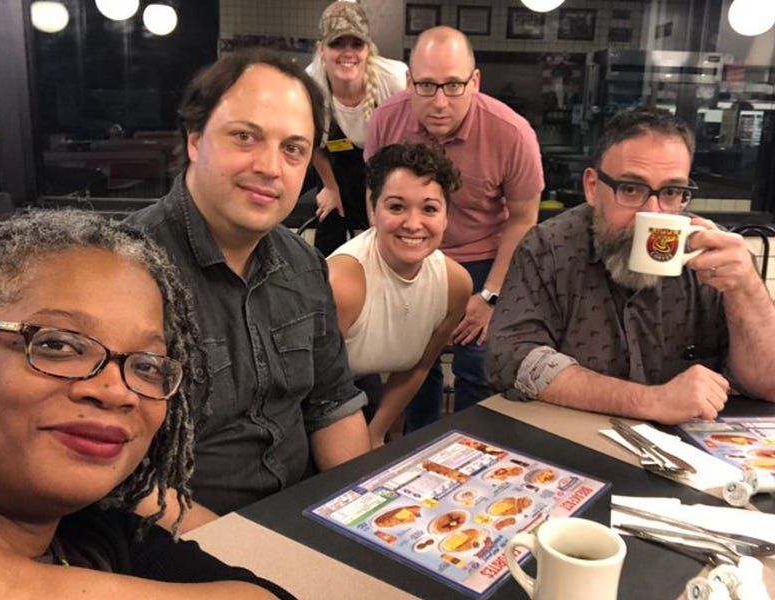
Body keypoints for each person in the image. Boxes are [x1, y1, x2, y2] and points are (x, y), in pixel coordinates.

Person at [0, 210, 292, 598]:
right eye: (57, 344)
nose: (116, 391)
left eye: (146, 365)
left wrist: (18, 585)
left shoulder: (99, 536)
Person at [126, 49, 370, 520]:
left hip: (299, 514)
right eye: (245, 137)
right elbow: (118, 474)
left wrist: (359, 520)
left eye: (293, 149)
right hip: (177, 537)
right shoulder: (125, 269)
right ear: (196, 140)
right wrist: (243, 556)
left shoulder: (304, 264)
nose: (270, 167)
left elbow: (331, 405)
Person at [487, 107, 775, 425]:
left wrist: (746, 288)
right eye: (630, 189)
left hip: (687, 452)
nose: (650, 212)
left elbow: (768, 384)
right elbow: (511, 357)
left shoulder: (711, 254)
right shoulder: (547, 248)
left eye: (671, 192)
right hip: (577, 442)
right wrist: (650, 402)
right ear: (592, 187)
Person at [365, 26, 544, 431]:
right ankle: (418, 450)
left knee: (476, 364)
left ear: (474, 81)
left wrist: (491, 295)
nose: (440, 102)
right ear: (409, 81)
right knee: (411, 362)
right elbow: (373, 194)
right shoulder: (385, 120)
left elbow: (523, 219)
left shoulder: (512, 134)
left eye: (453, 85)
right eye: (426, 86)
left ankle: (472, 447)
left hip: (483, 260)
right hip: (413, 257)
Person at [327, 143, 472, 447]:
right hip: (308, 401)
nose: (413, 224)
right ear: (372, 209)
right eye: (396, 207)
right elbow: (310, 389)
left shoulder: (455, 285)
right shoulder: (342, 284)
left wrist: (376, 431)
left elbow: (419, 367)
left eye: (429, 209)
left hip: (359, 389)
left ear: (446, 217)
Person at [306, 1, 407, 256]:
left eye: (356, 44)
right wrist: (330, 189)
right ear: (321, 50)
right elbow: (311, 144)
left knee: (383, 230)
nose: (347, 52)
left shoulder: (394, 79)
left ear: (368, 49)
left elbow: (406, 140)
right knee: (329, 227)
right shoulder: (311, 84)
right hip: (334, 165)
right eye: (337, 43)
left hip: (384, 163)